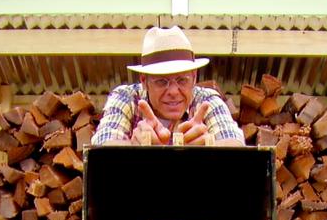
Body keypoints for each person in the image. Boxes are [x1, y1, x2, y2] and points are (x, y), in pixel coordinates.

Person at [91, 26, 245, 147]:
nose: (173, 91)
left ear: (194, 77)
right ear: (144, 81)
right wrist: (135, 147)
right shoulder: (127, 98)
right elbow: (102, 144)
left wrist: (207, 147)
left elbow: (235, 144)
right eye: (161, 82)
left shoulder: (206, 100)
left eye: (182, 80)